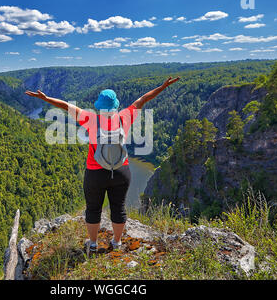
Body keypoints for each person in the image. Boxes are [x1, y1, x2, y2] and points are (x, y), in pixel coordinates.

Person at [25, 76, 180, 252]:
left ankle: (92, 244)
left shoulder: (90, 119)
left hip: (95, 172)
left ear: (99, 106)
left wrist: (45, 99)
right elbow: (144, 98)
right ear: (115, 105)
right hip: (121, 170)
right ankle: (117, 242)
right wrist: (163, 86)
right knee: (119, 207)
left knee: (93, 209)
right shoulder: (125, 117)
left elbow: (65, 106)